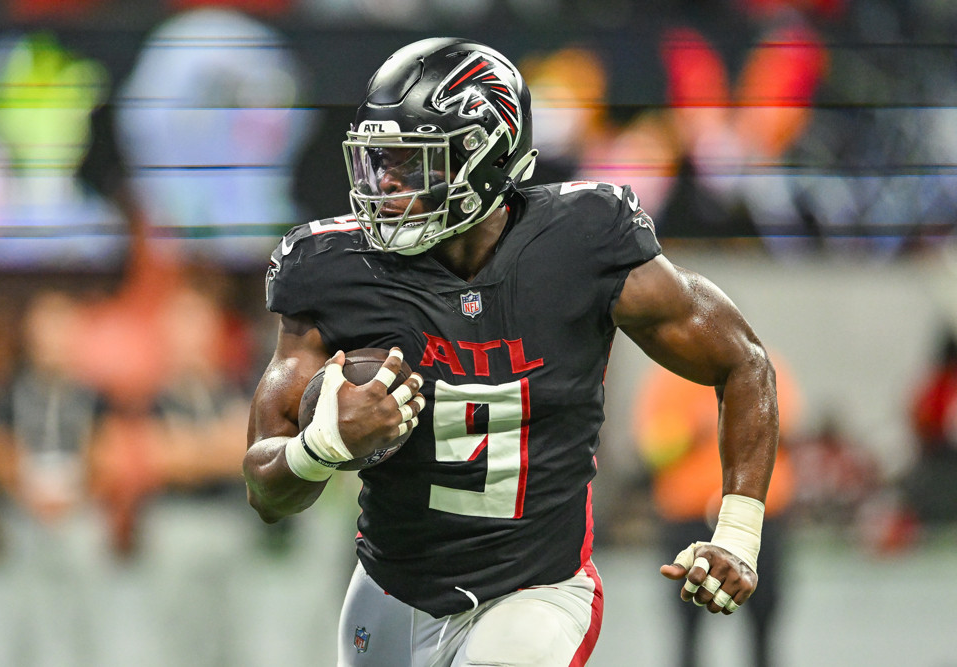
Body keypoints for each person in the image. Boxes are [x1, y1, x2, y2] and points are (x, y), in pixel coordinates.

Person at [242, 37, 780, 666]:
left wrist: (738, 533)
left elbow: (743, 361)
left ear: (486, 159)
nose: (385, 183)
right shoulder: (335, 269)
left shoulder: (584, 242)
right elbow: (264, 489)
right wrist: (321, 447)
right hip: (391, 590)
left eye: (413, 163)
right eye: (380, 160)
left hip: (536, 591)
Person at [633, 357, 800, 667]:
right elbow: (651, 448)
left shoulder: (763, 367)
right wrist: (689, 431)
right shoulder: (669, 378)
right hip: (687, 518)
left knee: (763, 622)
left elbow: (782, 431)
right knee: (687, 625)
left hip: (757, 519)